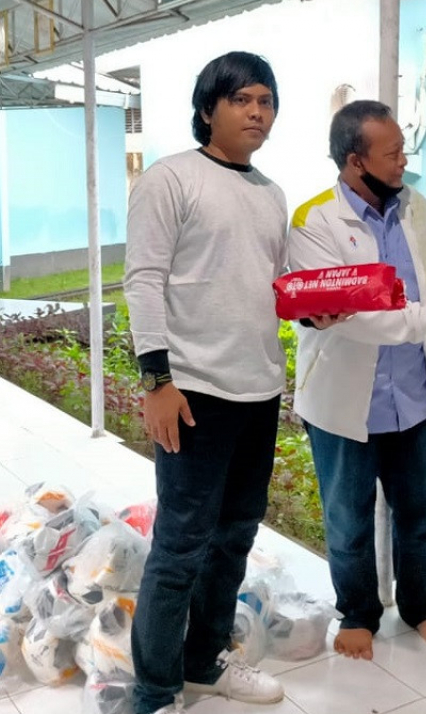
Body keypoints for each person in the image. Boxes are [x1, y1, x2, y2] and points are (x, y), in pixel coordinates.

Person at [125, 51, 310, 714]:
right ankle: (152, 690)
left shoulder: (270, 192)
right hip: (193, 391)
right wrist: (156, 380)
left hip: (257, 390)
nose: (257, 112)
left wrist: (318, 301)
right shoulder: (170, 180)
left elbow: (276, 286)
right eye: (242, 100)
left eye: (266, 100)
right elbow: (143, 279)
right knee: (179, 546)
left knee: (235, 534)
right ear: (209, 109)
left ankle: (203, 660)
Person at [287, 99, 426, 660]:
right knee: (349, 518)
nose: (404, 161)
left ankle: (421, 608)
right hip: (343, 404)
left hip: (413, 397)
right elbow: (350, 316)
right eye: (393, 154)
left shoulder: (412, 205)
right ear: (356, 161)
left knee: (422, 515)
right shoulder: (314, 221)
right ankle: (358, 613)